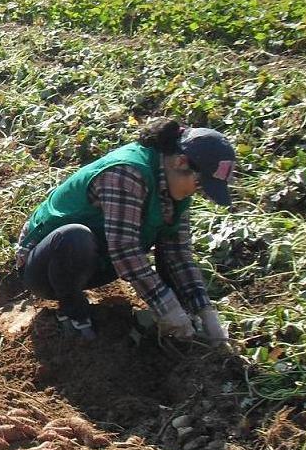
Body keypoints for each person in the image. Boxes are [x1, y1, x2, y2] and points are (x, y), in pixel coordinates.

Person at [16, 118, 235, 344]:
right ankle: (72, 315)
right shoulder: (127, 173)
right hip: (45, 267)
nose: (196, 192)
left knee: (167, 255)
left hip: (97, 261)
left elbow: (178, 254)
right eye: (199, 184)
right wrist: (166, 306)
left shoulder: (175, 191)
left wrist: (203, 310)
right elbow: (124, 250)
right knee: (75, 237)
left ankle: (185, 325)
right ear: (181, 162)